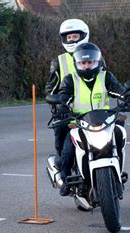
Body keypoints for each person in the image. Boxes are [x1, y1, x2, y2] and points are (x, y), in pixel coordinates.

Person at [56, 42, 130, 196]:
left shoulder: (106, 76)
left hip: (105, 121)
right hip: (78, 123)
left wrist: (128, 97)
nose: (87, 66)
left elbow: (118, 90)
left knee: (120, 134)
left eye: (90, 62)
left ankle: (117, 174)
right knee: (67, 150)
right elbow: (64, 97)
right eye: (83, 63)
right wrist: (62, 107)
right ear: (76, 64)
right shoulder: (70, 79)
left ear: (97, 62)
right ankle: (65, 179)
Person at [45, 19, 94, 167]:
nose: (71, 40)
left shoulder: (95, 57)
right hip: (68, 115)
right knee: (64, 149)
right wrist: (58, 110)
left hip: (95, 116)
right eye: (69, 37)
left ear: (84, 35)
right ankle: (64, 176)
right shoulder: (59, 61)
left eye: (75, 36)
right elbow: (51, 89)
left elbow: (107, 82)